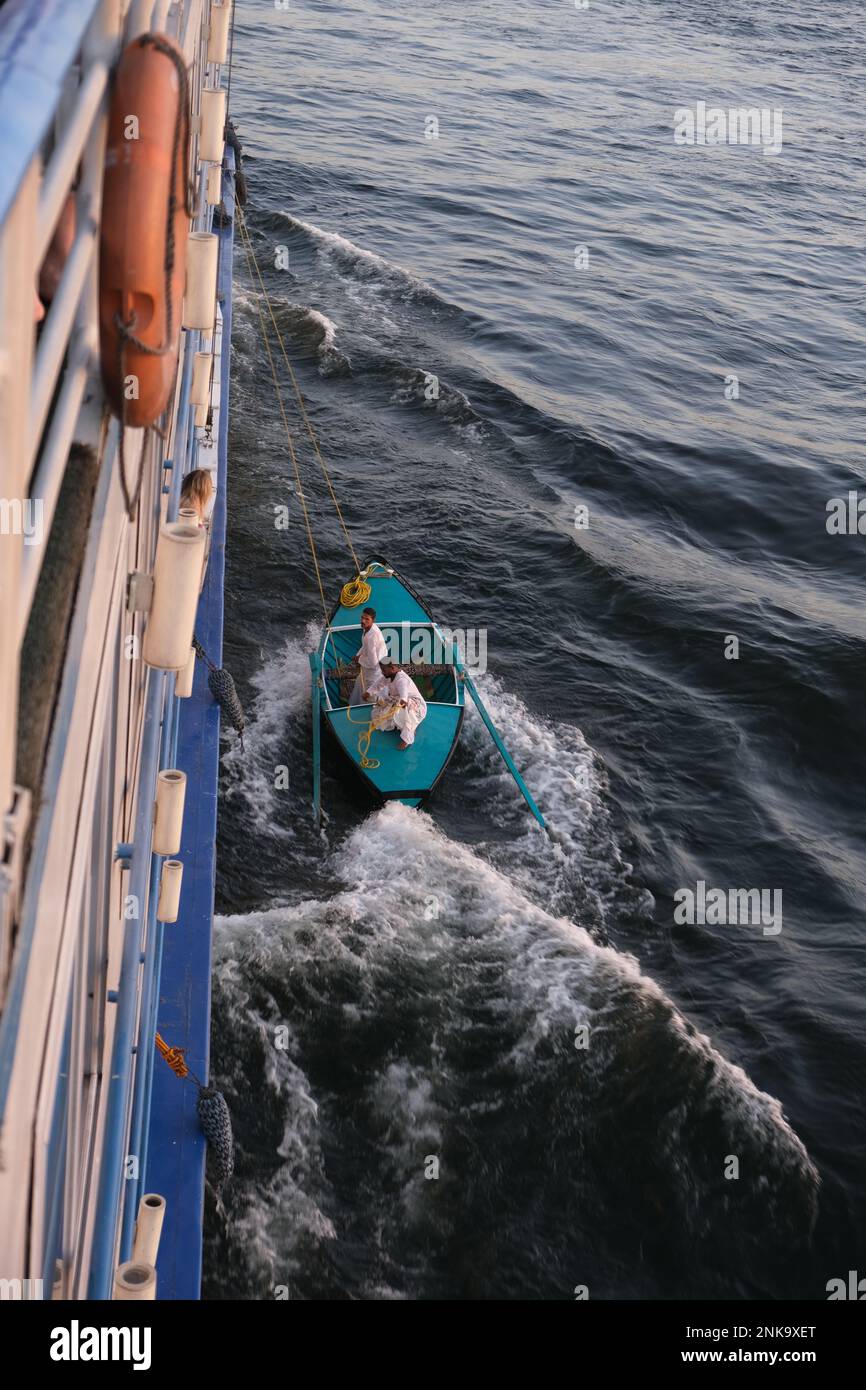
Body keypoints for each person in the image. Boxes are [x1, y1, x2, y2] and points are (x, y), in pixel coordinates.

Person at [367, 659, 427, 750]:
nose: (382, 673)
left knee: (406, 713)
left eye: (384, 670)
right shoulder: (389, 676)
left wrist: (403, 700)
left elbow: (404, 692)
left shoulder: (401, 679)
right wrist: (368, 692)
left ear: (392, 668)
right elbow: (378, 684)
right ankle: (403, 724)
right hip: (398, 699)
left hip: (414, 703)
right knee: (378, 711)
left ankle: (407, 738)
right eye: (382, 670)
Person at [350, 607, 387, 706]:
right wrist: (358, 655)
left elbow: (373, 663)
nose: (363, 621)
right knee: (361, 684)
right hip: (373, 665)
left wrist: (359, 659)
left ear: (373, 620)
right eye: (362, 618)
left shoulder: (372, 637)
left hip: (374, 672)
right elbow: (364, 646)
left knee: (370, 697)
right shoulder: (368, 628)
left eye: (367, 619)